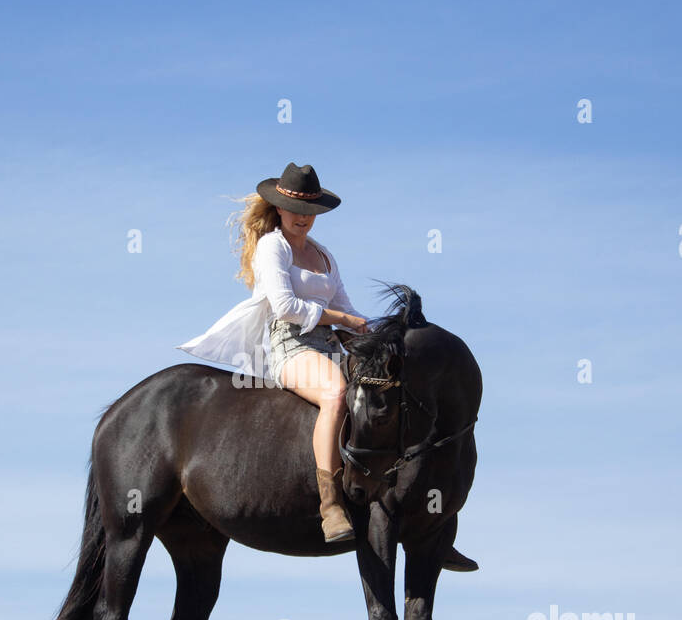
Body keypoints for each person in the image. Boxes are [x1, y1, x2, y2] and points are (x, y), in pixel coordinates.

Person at [178, 162, 477, 568]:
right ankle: (330, 502)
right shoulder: (274, 246)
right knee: (337, 394)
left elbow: (348, 309)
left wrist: (381, 334)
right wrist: (342, 321)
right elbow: (285, 307)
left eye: (310, 211)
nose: (303, 218)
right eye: (294, 209)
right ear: (279, 209)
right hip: (290, 346)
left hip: (333, 345)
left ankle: (430, 523)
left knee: (389, 392)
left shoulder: (324, 255)